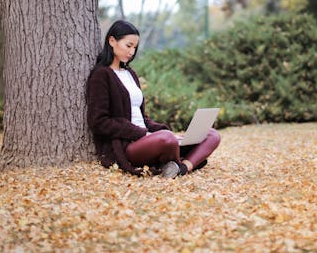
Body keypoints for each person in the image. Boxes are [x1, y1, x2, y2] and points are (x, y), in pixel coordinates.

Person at [86, 20, 221, 177]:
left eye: (135, 47)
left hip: (149, 139)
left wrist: (164, 131)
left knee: (211, 134)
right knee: (167, 139)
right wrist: (142, 134)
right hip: (127, 144)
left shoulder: (130, 74)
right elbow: (99, 121)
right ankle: (179, 161)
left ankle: (182, 168)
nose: (131, 52)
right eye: (128, 46)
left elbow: (142, 118)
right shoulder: (101, 75)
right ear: (112, 41)